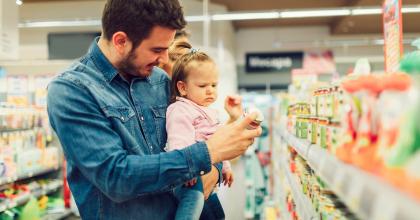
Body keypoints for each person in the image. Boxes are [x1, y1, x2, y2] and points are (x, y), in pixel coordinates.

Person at [46, 0, 261, 219]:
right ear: (121, 41)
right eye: (157, 49)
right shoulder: (72, 90)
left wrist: (215, 165)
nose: (165, 59)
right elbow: (116, 176)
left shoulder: (159, 80)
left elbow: (193, 137)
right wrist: (208, 153)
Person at [166, 50, 237, 219]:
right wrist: (186, 171)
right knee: (192, 212)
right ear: (182, 87)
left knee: (218, 215)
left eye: (214, 85)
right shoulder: (180, 109)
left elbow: (218, 141)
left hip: (208, 179)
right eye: (203, 86)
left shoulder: (211, 112)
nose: (210, 91)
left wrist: (226, 166)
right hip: (192, 179)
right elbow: (178, 142)